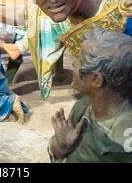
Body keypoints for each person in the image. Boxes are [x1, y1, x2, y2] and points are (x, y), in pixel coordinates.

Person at [48, 29, 132, 163]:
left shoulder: (123, 141)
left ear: (96, 79)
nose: (74, 64)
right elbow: (58, 153)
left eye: (80, 60)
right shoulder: (82, 107)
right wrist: (60, 147)